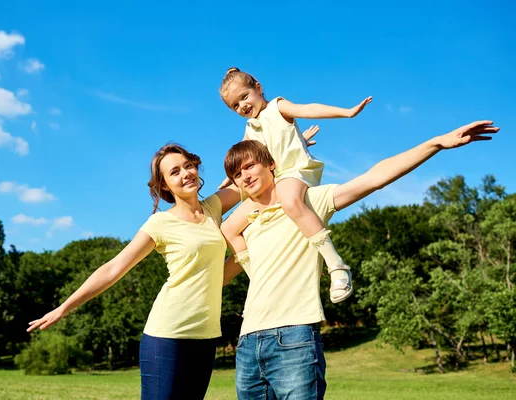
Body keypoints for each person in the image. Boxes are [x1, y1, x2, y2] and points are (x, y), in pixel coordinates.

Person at [222, 121, 499, 399]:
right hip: (248, 343)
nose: (244, 176)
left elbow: (373, 178)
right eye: (237, 174)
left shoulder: (307, 202)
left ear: (271, 164)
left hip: (293, 338)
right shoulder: (245, 224)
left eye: (250, 166)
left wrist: (435, 143)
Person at [27, 144, 241, 399]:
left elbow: (256, 174)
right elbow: (114, 268)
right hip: (167, 336)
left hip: (206, 335)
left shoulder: (214, 207)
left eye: (188, 166)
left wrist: (290, 135)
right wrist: (64, 307)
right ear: (164, 185)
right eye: (174, 172)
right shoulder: (160, 223)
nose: (185, 173)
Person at [219, 67, 372, 303]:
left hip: (296, 172)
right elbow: (241, 160)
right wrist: (226, 182)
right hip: (273, 182)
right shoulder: (250, 128)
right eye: (235, 106)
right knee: (229, 228)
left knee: (290, 200)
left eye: (244, 97)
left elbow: (308, 109)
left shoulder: (277, 108)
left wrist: (347, 112)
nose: (242, 106)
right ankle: (259, 281)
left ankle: (337, 266)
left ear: (258, 88)